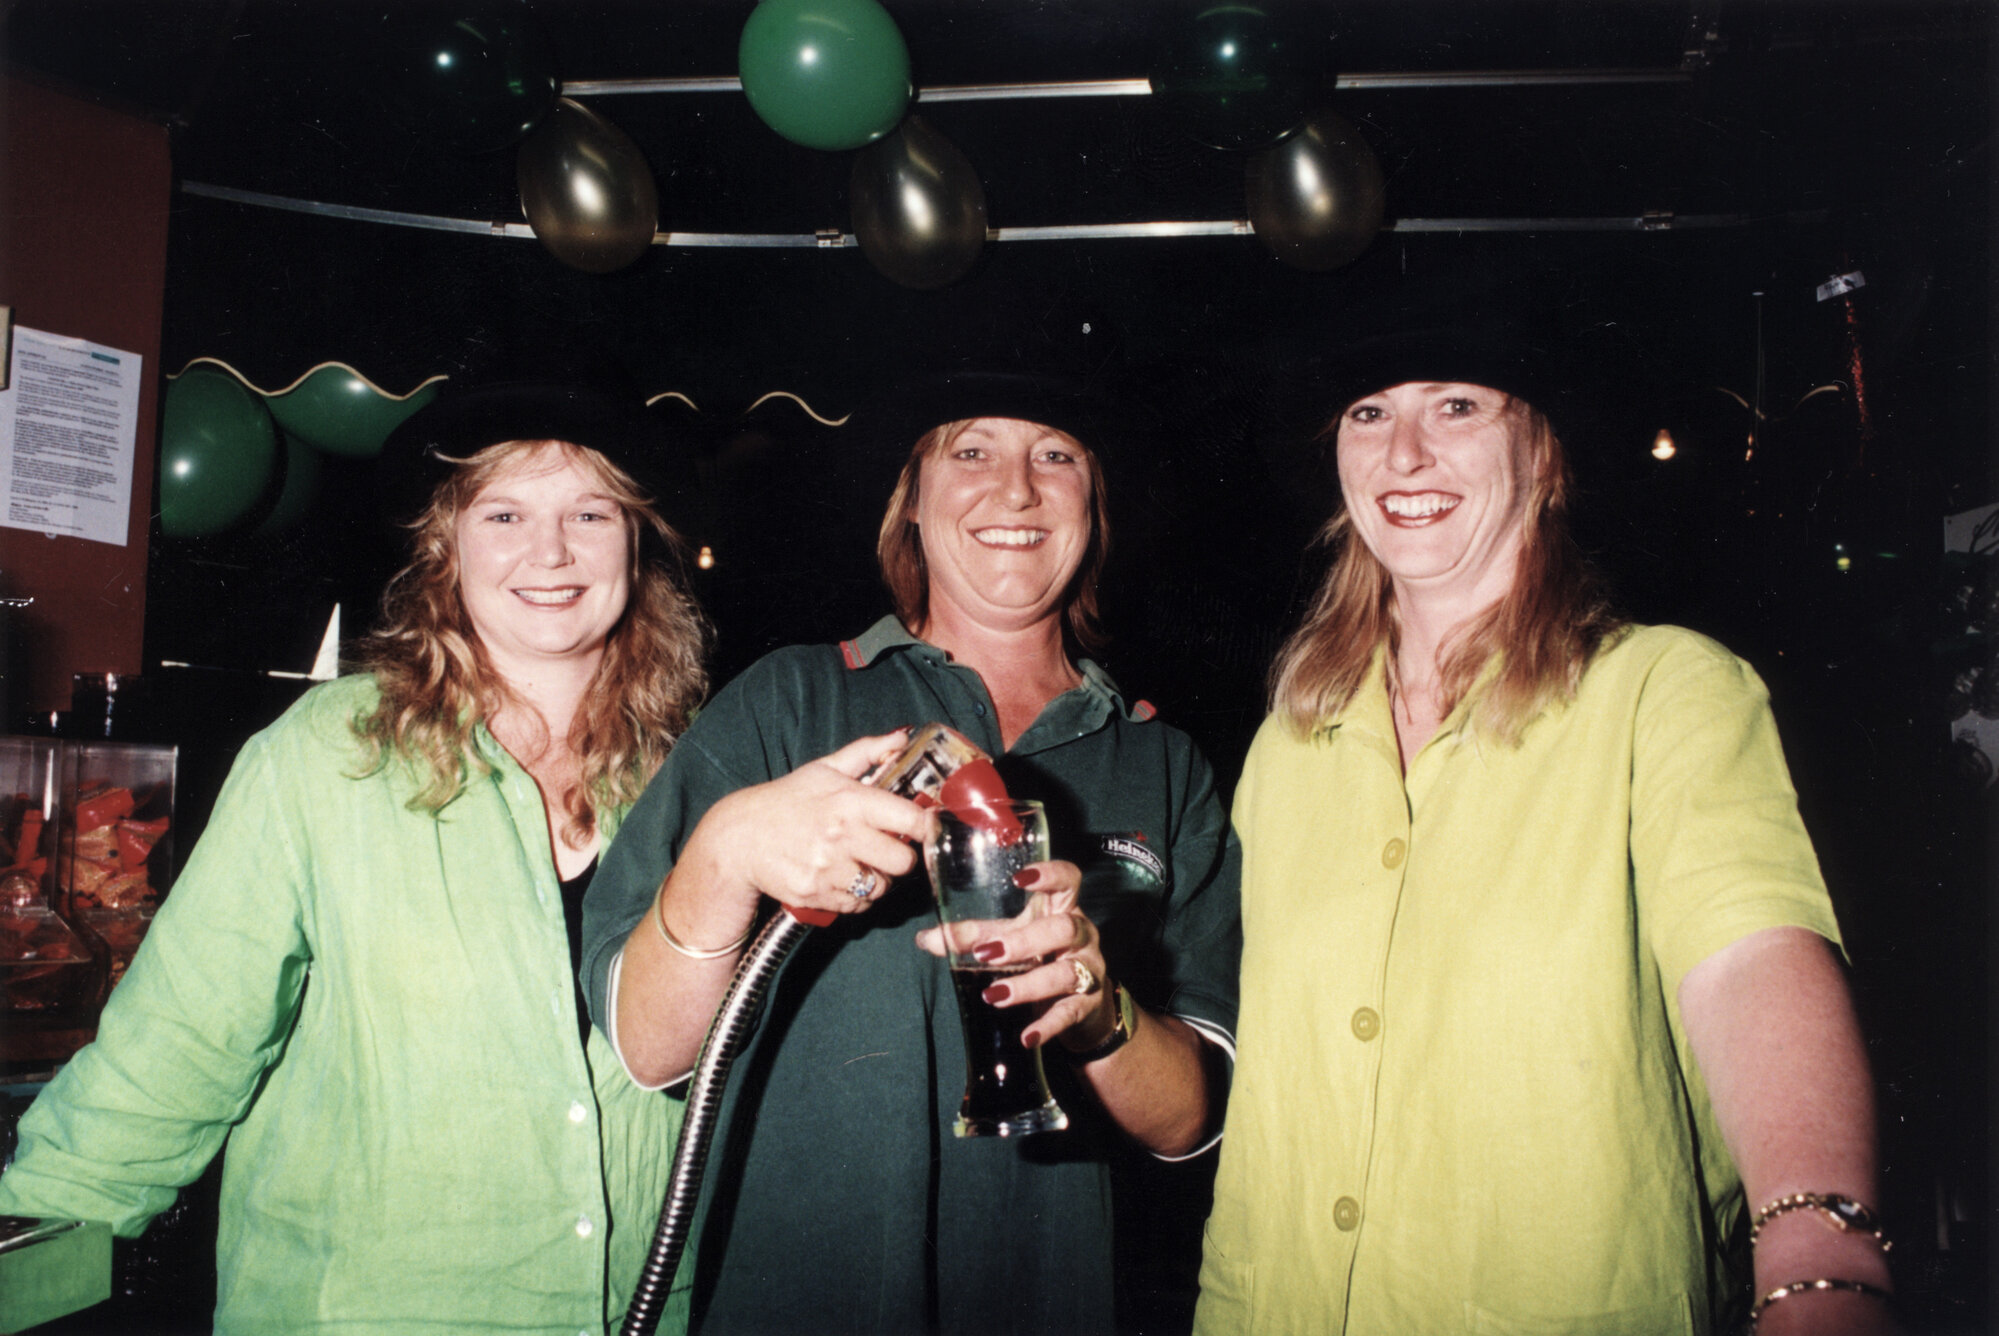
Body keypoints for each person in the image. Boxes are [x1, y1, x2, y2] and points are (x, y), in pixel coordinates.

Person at [1193, 319, 1897, 1336]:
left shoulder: (1662, 690)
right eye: (1368, 413)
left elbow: (1749, 959)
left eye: (1457, 406)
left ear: (1543, 453)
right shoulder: (1288, 744)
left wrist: (1819, 1259)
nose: (1404, 453)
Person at [0, 379, 710, 1334]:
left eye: (590, 512)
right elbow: (175, 1047)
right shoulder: (326, 754)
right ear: (447, 544)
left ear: (635, 540)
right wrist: (28, 1251)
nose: (550, 551)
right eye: (503, 514)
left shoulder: (703, 773)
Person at [581, 372, 1242, 1335]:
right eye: (971, 451)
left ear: (1094, 509)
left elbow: (1188, 1120)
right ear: (913, 505)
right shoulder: (790, 699)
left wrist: (1099, 1010)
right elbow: (647, 1051)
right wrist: (725, 855)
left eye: (1055, 455)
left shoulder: (1162, 760)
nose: (1015, 489)